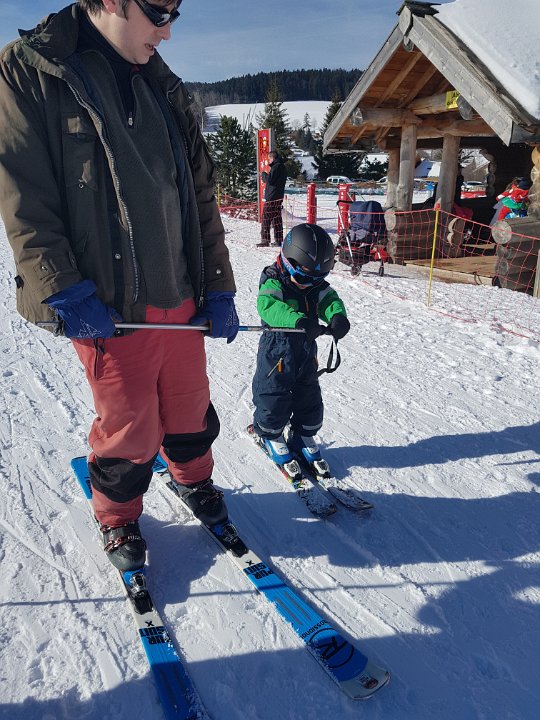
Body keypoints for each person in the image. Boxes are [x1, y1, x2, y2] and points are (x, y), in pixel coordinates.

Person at [0, 0, 239, 572]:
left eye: (176, 13)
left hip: (182, 296)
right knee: (131, 428)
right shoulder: (32, 70)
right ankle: (119, 515)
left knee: (189, 410)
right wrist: (62, 286)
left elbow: (199, 195)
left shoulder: (165, 87)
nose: (168, 31)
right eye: (158, 12)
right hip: (110, 305)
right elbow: (23, 194)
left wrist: (218, 284)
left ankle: (193, 478)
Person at [251, 223, 350, 466]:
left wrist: (337, 317)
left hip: (306, 350)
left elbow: (329, 299)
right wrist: (298, 320)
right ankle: (270, 434)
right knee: (273, 394)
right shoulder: (273, 280)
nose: (310, 283)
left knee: (309, 395)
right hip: (277, 349)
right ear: (288, 262)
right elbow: (268, 306)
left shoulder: (313, 284)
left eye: (319, 278)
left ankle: (303, 434)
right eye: (304, 277)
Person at [258, 150, 287, 247]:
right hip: (278, 196)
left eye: (269, 159)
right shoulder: (282, 167)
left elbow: (270, 180)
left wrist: (263, 174)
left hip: (272, 197)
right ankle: (279, 240)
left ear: (272, 158)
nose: (268, 161)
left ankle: (265, 240)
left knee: (266, 218)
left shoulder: (276, 167)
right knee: (276, 219)